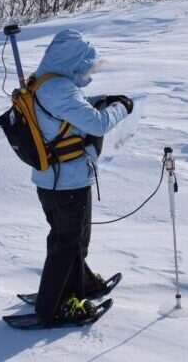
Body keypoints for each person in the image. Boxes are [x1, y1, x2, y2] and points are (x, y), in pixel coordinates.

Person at [29, 29, 132, 326]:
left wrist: (103, 98)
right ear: (74, 62)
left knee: (65, 238)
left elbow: (72, 109)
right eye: (86, 64)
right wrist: (121, 108)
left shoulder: (43, 81)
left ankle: (80, 283)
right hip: (68, 181)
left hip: (49, 181)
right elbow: (97, 125)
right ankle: (54, 306)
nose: (89, 71)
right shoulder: (60, 89)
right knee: (70, 242)